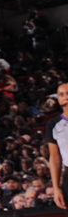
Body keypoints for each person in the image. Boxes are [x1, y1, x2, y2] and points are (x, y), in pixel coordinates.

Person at [48, 80, 67, 210]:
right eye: (61, 94)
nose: (66, 96)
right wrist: (56, 188)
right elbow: (55, 158)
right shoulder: (53, 124)